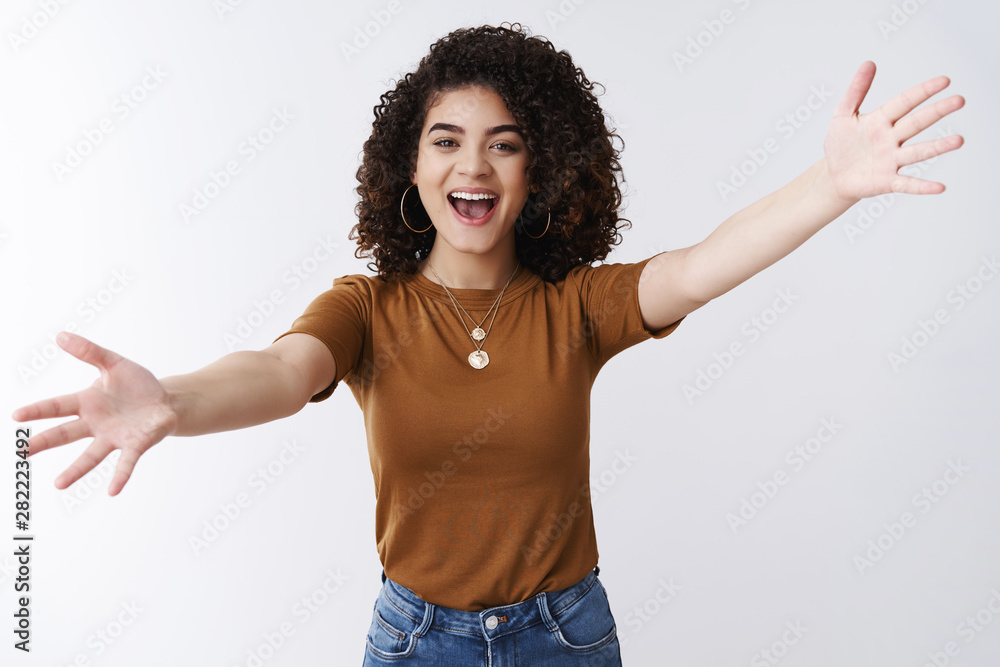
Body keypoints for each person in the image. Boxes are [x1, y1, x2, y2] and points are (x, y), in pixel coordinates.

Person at [12, 22, 965, 667]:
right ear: (409, 166)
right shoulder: (366, 309)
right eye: (445, 140)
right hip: (415, 638)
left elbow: (706, 263)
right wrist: (172, 403)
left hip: (567, 632)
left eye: (504, 142)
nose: (473, 163)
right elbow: (275, 369)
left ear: (538, 167)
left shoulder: (579, 306)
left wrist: (831, 185)